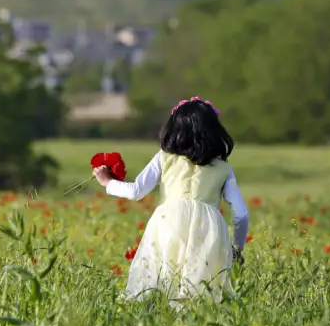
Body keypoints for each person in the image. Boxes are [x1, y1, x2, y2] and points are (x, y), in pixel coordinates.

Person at [93, 97, 249, 306]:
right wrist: (237, 248)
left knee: (160, 280)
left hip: (168, 222)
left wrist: (108, 182)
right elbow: (241, 213)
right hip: (208, 229)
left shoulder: (164, 157)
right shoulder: (223, 168)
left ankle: (157, 318)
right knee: (201, 290)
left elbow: (136, 191)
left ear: (175, 128)